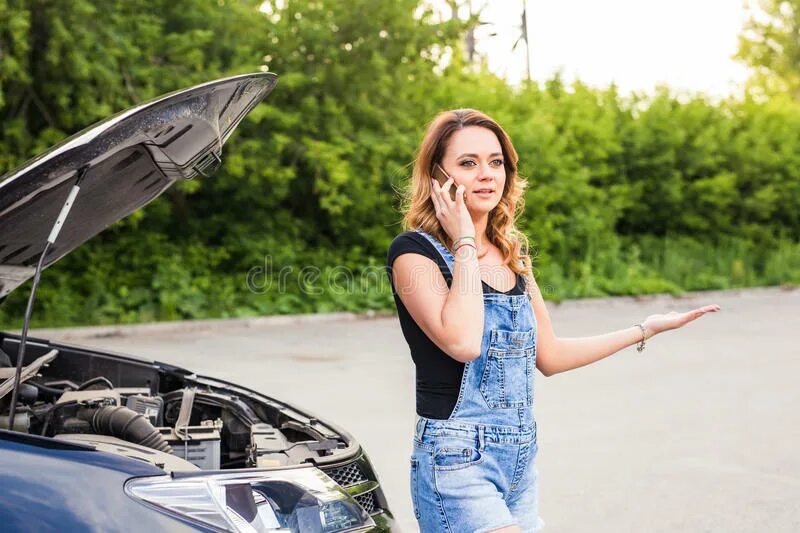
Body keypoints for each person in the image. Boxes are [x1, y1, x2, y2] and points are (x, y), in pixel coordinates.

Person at [385, 108, 720, 533]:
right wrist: (466, 241)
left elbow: (551, 355)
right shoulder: (414, 253)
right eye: (468, 163)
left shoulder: (512, 254)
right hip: (456, 460)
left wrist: (644, 329)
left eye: (496, 162)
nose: (487, 174)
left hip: (520, 459)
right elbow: (463, 342)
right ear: (438, 177)